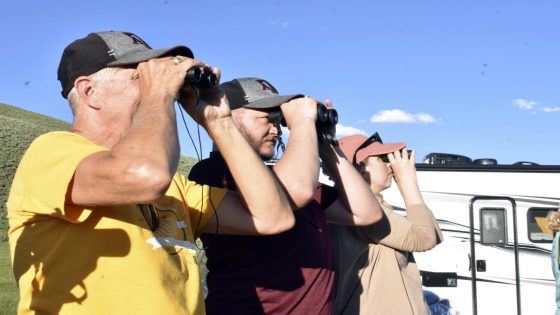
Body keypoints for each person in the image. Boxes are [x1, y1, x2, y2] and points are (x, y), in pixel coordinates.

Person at [6, 31, 295, 314]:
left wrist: (218, 121)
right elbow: (146, 175)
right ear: (89, 91)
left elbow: (272, 216)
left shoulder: (176, 188)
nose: (158, 83)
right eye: (140, 76)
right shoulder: (51, 153)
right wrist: (158, 91)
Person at [188, 77, 383, 315]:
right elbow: (296, 192)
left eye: (279, 120)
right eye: (267, 118)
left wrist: (326, 144)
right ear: (231, 114)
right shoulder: (212, 173)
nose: (275, 129)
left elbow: (366, 212)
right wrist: (301, 123)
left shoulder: (285, 176)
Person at [329, 132, 443, 315]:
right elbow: (425, 238)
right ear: (359, 169)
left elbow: (434, 235)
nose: (391, 164)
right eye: (381, 159)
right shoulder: (358, 208)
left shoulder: (367, 205)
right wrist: (407, 182)